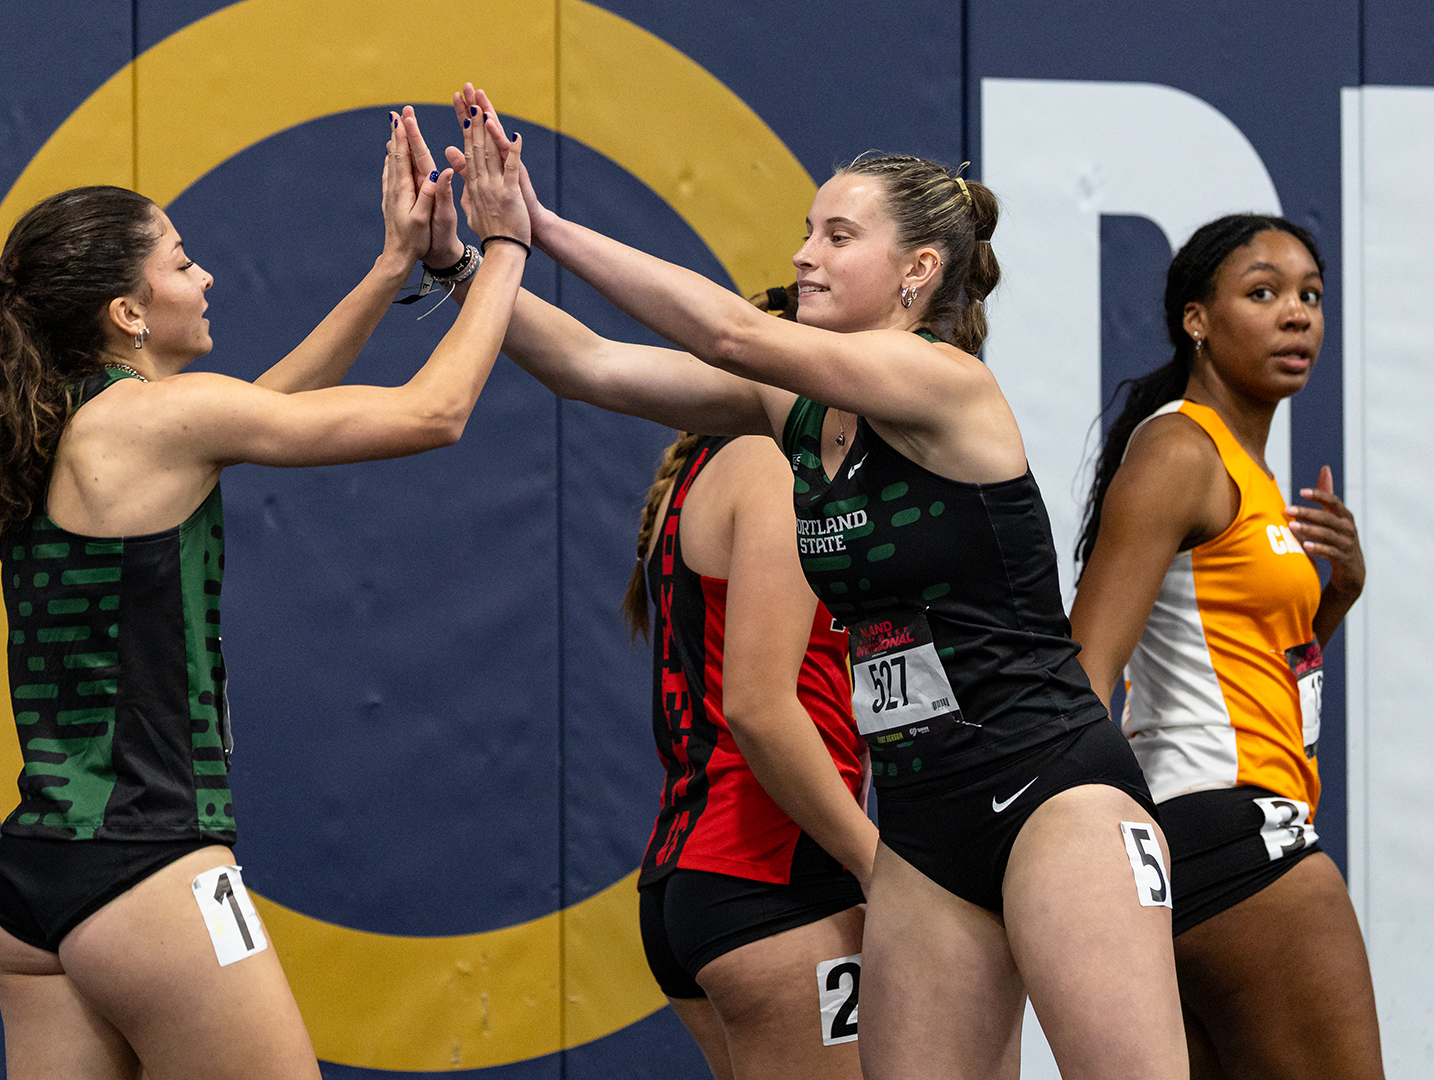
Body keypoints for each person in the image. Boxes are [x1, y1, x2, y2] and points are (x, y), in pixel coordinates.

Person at [436, 85, 1187, 1079]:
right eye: (807, 232)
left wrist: (541, 226)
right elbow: (588, 366)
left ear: (919, 271)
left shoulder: (944, 381)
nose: (804, 256)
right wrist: (459, 261)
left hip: (1051, 789)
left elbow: (733, 333)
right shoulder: (795, 412)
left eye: (838, 236)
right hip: (923, 824)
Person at [0, 107, 530, 1079]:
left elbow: (263, 410)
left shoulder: (62, 426)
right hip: (150, 874)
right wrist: (506, 245)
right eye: (182, 263)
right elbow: (434, 413)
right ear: (127, 312)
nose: (206, 277)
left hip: (34, 891)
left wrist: (394, 262)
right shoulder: (157, 421)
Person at [1070, 214, 1381, 1078]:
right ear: (1195, 319)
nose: (1297, 315)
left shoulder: (1247, 469)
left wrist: (1337, 598)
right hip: (1236, 832)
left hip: (1208, 840)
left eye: (1311, 296)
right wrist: (1082, 863)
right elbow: (1086, 668)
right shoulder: (1181, 450)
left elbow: (1246, 672)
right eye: (1263, 293)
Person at [623, 430, 877, 1080]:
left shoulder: (704, 470)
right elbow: (759, 710)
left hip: (698, 879)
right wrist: (876, 865)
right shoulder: (770, 469)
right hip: (772, 880)